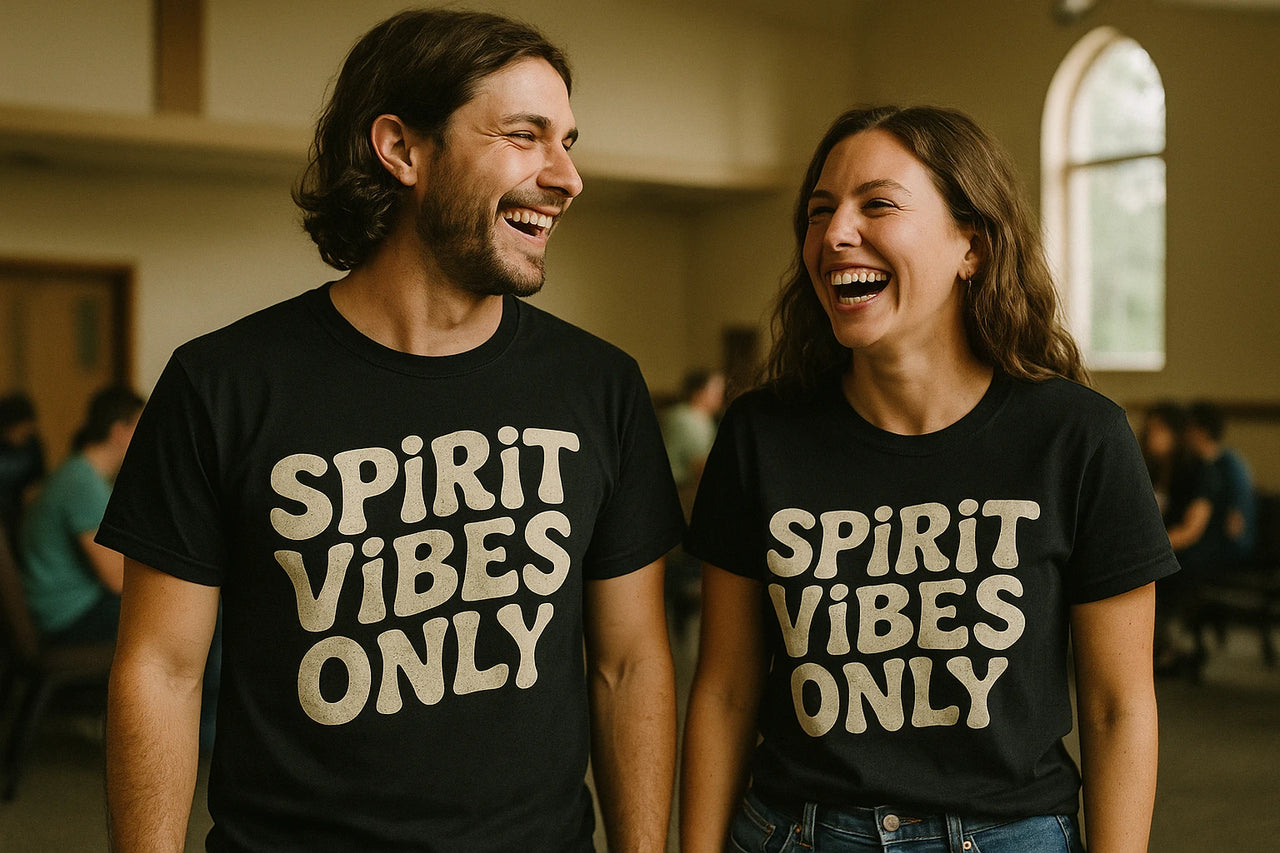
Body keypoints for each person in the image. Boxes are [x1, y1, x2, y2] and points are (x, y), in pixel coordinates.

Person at [99, 10, 683, 852]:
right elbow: (160, 668)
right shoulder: (219, 383)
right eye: (525, 136)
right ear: (402, 149)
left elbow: (628, 664)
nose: (567, 176)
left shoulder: (601, 386)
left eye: (568, 141)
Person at [680, 106, 1179, 853]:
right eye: (820, 211)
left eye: (876, 203)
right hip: (796, 832)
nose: (835, 233)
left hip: (1013, 836)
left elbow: (1117, 705)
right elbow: (723, 690)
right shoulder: (761, 435)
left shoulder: (1078, 437)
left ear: (970, 245)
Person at [19, 386, 142, 644]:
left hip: (64, 606)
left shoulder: (80, 472)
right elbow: (117, 580)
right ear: (120, 432)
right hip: (68, 616)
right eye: (141, 428)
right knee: (188, 619)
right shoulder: (82, 483)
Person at [0, 392, 45, 550]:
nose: (25, 433)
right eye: (21, 429)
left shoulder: (32, 444)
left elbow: (38, 481)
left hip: (21, 516)